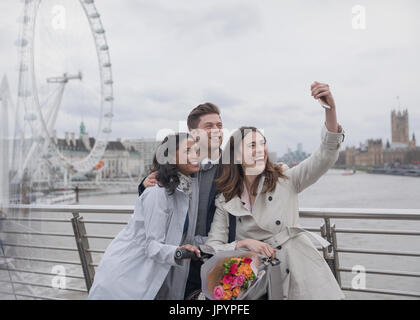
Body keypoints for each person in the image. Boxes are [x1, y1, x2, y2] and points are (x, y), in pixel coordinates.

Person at [204, 82, 346, 299]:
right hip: (259, 281)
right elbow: (213, 246)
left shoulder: (285, 179)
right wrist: (242, 244)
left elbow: (325, 156)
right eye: (252, 146)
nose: (260, 150)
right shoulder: (226, 199)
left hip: (300, 271)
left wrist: (330, 110)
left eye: (263, 144)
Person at [88, 133, 201, 299]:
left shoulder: (182, 193)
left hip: (144, 275)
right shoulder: (157, 192)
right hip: (127, 274)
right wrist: (178, 252)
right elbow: (152, 246)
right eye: (188, 150)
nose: (195, 155)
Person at [138, 102, 224, 299]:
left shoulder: (233, 166)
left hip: (213, 254)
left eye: (219, 125)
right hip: (177, 255)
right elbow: (157, 195)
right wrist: (145, 184)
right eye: (209, 126)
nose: (216, 130)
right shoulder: (180, 161)